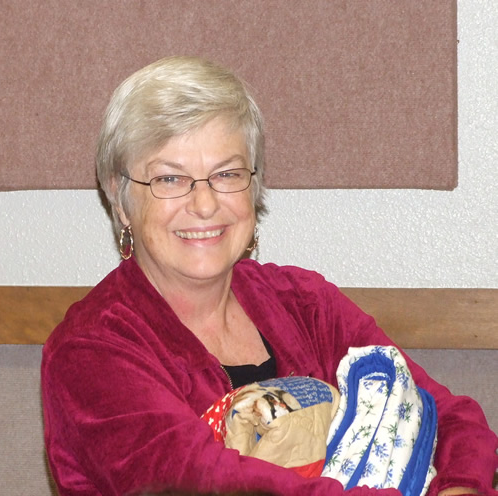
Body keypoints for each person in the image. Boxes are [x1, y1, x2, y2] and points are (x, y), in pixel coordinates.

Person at [41, 56, 498, 496]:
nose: (205, 204)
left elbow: (446, 416)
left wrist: (459, 486)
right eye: (170, 179)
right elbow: (206, 485)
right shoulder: (90, 350)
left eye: (226, 174)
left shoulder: (304, 303)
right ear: (120, 198)